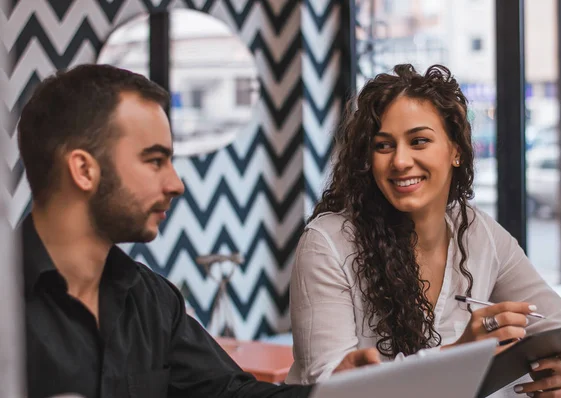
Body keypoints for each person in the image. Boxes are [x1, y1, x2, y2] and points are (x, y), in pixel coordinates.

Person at [17, 64, 382, 398]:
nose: (176, 184)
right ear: (83, 170)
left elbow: (231, 394)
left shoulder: (153, 301)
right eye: (155, 161)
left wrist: (332, 393)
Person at [286, 64, 561, 397]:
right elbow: (322, 388)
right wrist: (461, 355)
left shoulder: (476, 232)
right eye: (383, 145)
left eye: (419, 141)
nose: (401, 161)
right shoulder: (327, 244)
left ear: (456, 151)